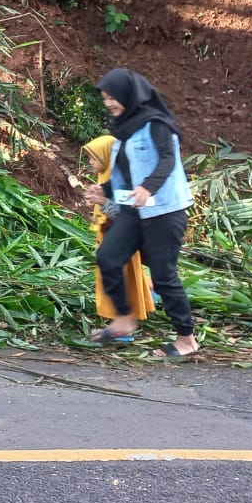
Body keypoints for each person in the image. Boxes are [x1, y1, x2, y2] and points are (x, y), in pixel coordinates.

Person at [84, 69, 199, 359]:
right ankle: (124, 319)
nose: (109, 103)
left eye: (113, 97)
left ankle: (186, 338)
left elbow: (167, 160)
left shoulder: (156, 124)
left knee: (163, 276)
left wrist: (148, 187)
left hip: (164, 210)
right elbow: (125, 174)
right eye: (105, 98)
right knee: (108, 257)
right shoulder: (124, 131)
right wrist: (104, 192)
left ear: (129, 95)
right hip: (135, 210)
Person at [82, 135, 151, 333]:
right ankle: (120, 320)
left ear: (107, 157)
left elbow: (122, 213)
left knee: (122, 279)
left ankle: (122, 326)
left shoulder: (120, 181)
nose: (90, 162)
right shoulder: (103, 180)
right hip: (111, 238)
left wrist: (102, 202)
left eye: (94, 157)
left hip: (120, 240)